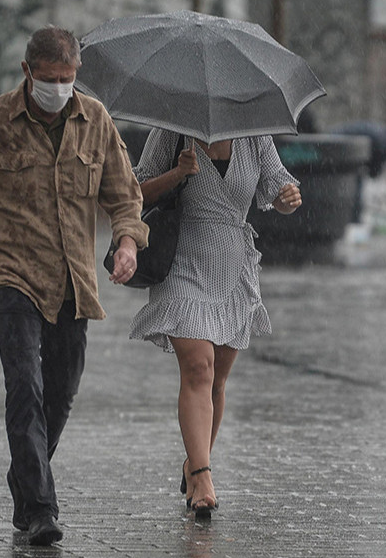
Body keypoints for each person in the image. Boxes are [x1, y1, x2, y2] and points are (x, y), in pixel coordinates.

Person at [0, 26, 148, 546]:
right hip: (11, 274)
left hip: (73, 279)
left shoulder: (95, 120)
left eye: (67, 78)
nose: (58, 88)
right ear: (27, 72)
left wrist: (127, 244)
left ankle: (25, 476)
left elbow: (125, 196)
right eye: (49, 78)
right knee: (24, 383)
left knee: (61, 392)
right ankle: (40, 509)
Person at [129, 127, 302, 518]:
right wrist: (177, 174)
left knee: (217, 381)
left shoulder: (254, 134)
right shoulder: (172, 130)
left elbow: (277, 189)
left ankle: (194, 463)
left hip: (233, 266)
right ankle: (203, 476)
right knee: (198, 367)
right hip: (182, 262)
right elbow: (135, 193)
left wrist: (287, 199)